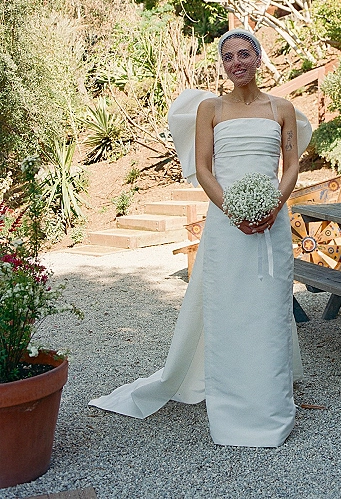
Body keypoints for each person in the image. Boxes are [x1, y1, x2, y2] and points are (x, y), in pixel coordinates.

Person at [89, 28, 312, 448]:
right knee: (228, 309)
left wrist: (271, 209)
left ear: (259, 58)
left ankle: (271, 404)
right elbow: (205, 170)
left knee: (269, 310)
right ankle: (231, 409)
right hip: (227, 224)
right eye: (228, 58)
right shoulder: (210, 109)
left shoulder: (282, 108)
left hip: (272, 225)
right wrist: (235, 211)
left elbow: (291, 166)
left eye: (244, 54)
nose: (236, 63)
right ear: (223, 66)